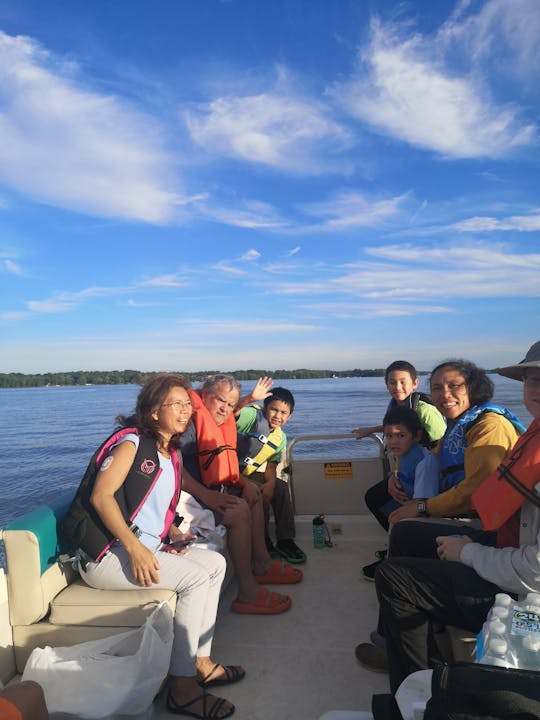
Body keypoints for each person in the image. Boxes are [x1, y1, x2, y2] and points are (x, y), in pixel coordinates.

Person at [62, 374, 242, 720]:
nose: (186, 411)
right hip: (106, 556)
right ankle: (183, 688)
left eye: (188, 405)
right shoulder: (131, 443)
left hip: (142, 546)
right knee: (193, 579)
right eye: (177, 404)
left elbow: (146, 505)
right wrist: (135, 547)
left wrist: (172, 531)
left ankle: (200, 661)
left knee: (215, 564)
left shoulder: (167, 451)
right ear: (153, 411)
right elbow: (102, 497)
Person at [371, 341, 540, 700]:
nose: (444, 394)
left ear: (474, 390)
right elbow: (444, 456)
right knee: (404, 535)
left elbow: (476, 488)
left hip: (522, 584)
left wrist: (465, 549)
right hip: (508, 540)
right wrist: (401, 475)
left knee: (393, 575)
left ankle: (416, 693)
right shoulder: (478, 426)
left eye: (454, 386)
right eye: (532, 379)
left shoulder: (490, 426)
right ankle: (392, 642)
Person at [178, 375, 302, 616]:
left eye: (230, 404)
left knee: (253, 494)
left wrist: (243, 483)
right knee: (239, 511)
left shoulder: (218, 423)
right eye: (220, 401)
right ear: (204, 396)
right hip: (193, 496)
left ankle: (262, 563)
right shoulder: (190, 425)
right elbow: (173, 465)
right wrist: (209, 496)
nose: (225, 408)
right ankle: (247, 592)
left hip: (215, 488)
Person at [354, 361, 447, 579]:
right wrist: (373, 430)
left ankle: (401, 551)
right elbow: (398, 428)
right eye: (392, 382)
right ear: (386, 385)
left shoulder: (425, 410)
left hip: (424, 477)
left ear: (414, 383)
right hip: (404, 473)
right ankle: (398, 545)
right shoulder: (396, 405)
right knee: (373, 498)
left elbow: (441, 444)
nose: (397, 386)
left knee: (389, 506)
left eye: (403, 382)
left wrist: (420, 492)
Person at [362, 405, 439, 582]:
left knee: (395, 519)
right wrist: (393, 477)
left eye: (400, 435)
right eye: (389, 436)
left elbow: (424, 502)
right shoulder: (405, 451)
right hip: (409, 500)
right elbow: (401, 470)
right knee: (374, 497)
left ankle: (398, 558)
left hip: (423, 512)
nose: (393, 441)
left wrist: (402, 514)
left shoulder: (424, 463)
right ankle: (398, 546)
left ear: (417, 436)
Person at [235, 384, 306, 564]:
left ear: (289, 416)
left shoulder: (280, 438)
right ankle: (263, 540)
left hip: (250, 475)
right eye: (274, 410)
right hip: (231, 475)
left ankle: (285, 540)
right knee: (259, 491)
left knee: (280, 488)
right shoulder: (253, 417)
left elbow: (270, 466)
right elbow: (232, 414)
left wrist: (271, 484)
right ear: (265, 408)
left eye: (283, 413)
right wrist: (249, 399)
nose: (278, 416)